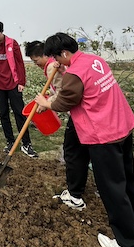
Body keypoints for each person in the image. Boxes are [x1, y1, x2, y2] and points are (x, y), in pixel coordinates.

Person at [34, 32, 134, 247]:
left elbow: (65, 101)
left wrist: (46, 103)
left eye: (56, 58)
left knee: (112, 189)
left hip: (103, 135)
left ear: (64, 53)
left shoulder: (74, 74)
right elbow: (83, 84)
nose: (55, 63)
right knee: (129, 179)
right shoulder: (95, 60)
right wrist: (64, 70)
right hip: (122, 126)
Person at [26, 40, 88, 211]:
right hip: (82, 114)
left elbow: (64, 91)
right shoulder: (58, 65)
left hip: (80, 114)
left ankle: (76, 194)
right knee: (78, 150)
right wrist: (49, 95)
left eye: (36, 60)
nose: (36, 64)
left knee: (73, 151)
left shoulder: (51, 67)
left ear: (46, 55)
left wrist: (46, 103)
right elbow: (59, 87)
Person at [0, 21, 38, 158]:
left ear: (2, 31)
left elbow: (19, 63)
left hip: (13, 83)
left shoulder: (12, 44)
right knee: (3, 114)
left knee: (20, 113)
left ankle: (26, 143)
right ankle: (10, 141)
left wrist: (21, 82)